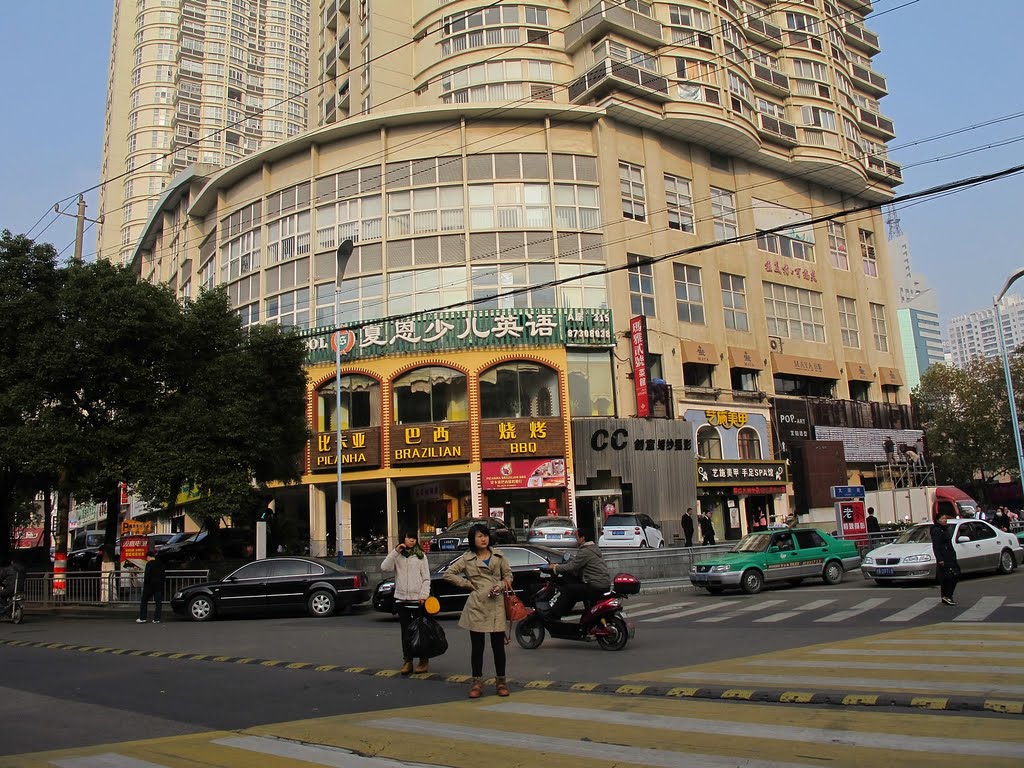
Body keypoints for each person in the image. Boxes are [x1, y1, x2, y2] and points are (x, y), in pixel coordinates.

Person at [443, 522, 512, 699]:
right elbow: (448, 574)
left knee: (498, 647)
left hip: (496, 604)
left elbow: (509, 576)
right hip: (477, 606)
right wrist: (467, 584)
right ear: (473, 539)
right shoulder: (467, 558)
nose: (483, 539)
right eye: (479, 536)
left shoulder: (498, 555)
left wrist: (500, 585)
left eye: (485, 535)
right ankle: (476, 682)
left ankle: (501, 681)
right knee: (477, 647)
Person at [380, 531, 431, 675]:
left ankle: (423, 660)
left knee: (420, 632)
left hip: (418, 600)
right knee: (406, 633)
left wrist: (423, 595)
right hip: (401, 599)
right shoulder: (397, 556)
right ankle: (407, 660)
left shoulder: (421, 556)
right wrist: (395, 551)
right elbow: (384, 567)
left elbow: (426, 578)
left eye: (414, 538)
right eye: (409, 537)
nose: (412, 540)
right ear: (403, 539)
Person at [544, 529, 611, 620]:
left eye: (577, 537)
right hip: (604, 584)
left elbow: (572, 566)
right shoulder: (593, 549)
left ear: (582, 538)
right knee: (576, 588)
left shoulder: (585, 551)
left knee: (569, 590)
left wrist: (555, 567)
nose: (576, 540)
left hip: (595, 585)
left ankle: (555, 615)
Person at [930, 512, 959, 606]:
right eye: (942, 518)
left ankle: (946, 596)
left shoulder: (945, 529)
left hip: (950, 555)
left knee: (950, 576)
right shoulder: (936, 530)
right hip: (944, 556)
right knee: (950, 576)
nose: (945, 520)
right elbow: (936, 546)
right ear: (938, 520)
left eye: (945, 518)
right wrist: (940, 558)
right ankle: (947, 595)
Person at [137, 550, 166, 623]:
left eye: (146, 558)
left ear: (149, 557)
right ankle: (157, 619)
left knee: (144, 601)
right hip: (158, 586)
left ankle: (143, 618)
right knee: (158, 603)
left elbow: (147, 576)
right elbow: (163, 576)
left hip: (149, 586)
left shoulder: (149, 564)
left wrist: (145, 585)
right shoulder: (161, 564)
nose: (147, 559)